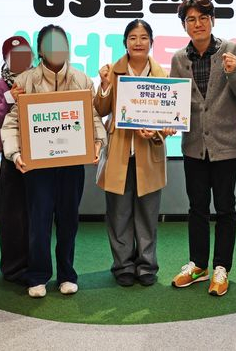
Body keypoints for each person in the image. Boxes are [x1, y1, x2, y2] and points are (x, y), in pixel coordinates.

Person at [1, 25, 106, 298]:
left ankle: (67, 274)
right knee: (39, 222)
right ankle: (38, 275)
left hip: (72, 164)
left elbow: (93, 117)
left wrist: (97, 143)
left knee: (69, 222)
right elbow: (11, 123)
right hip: (38, 167)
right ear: (40, 50)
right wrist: (15, 153)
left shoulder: (82, 79)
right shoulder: (25, 80)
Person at [169, 0, 236, 297]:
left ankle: (221, 267)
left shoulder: (233, 51)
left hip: (226, 145)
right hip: (193, 145)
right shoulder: (179, 59)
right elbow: (174, 102)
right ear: (184, 25)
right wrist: (166, 120)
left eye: (203, 18)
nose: (198, 24)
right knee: (196, 207)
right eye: (191, 19)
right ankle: (198, 265)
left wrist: (234, 73)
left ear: (213, 20)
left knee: (225, 207)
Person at [95, 19, 176, 287]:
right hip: (119, 152)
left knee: (147, 214)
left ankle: (146, 265)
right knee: (118, 215)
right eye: (132, 37)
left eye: (143, 37)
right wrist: (104, 85)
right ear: (125, 42)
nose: (138, 42)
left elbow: (168, 120)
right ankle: (123, 266)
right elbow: (101, 109)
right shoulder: (112, 72)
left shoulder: (163, 76)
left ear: (151, 42)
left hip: (148, 153)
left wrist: (161, 130)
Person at [0, 36, 34, 284]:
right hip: (11, 159)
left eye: (25, 54)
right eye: (14, 55)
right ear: (5, 58)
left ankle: (36, 265)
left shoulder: (40, 80)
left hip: (39, 157)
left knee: (37, 216)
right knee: (12, 217)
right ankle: (14, 269)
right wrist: (9, 98)